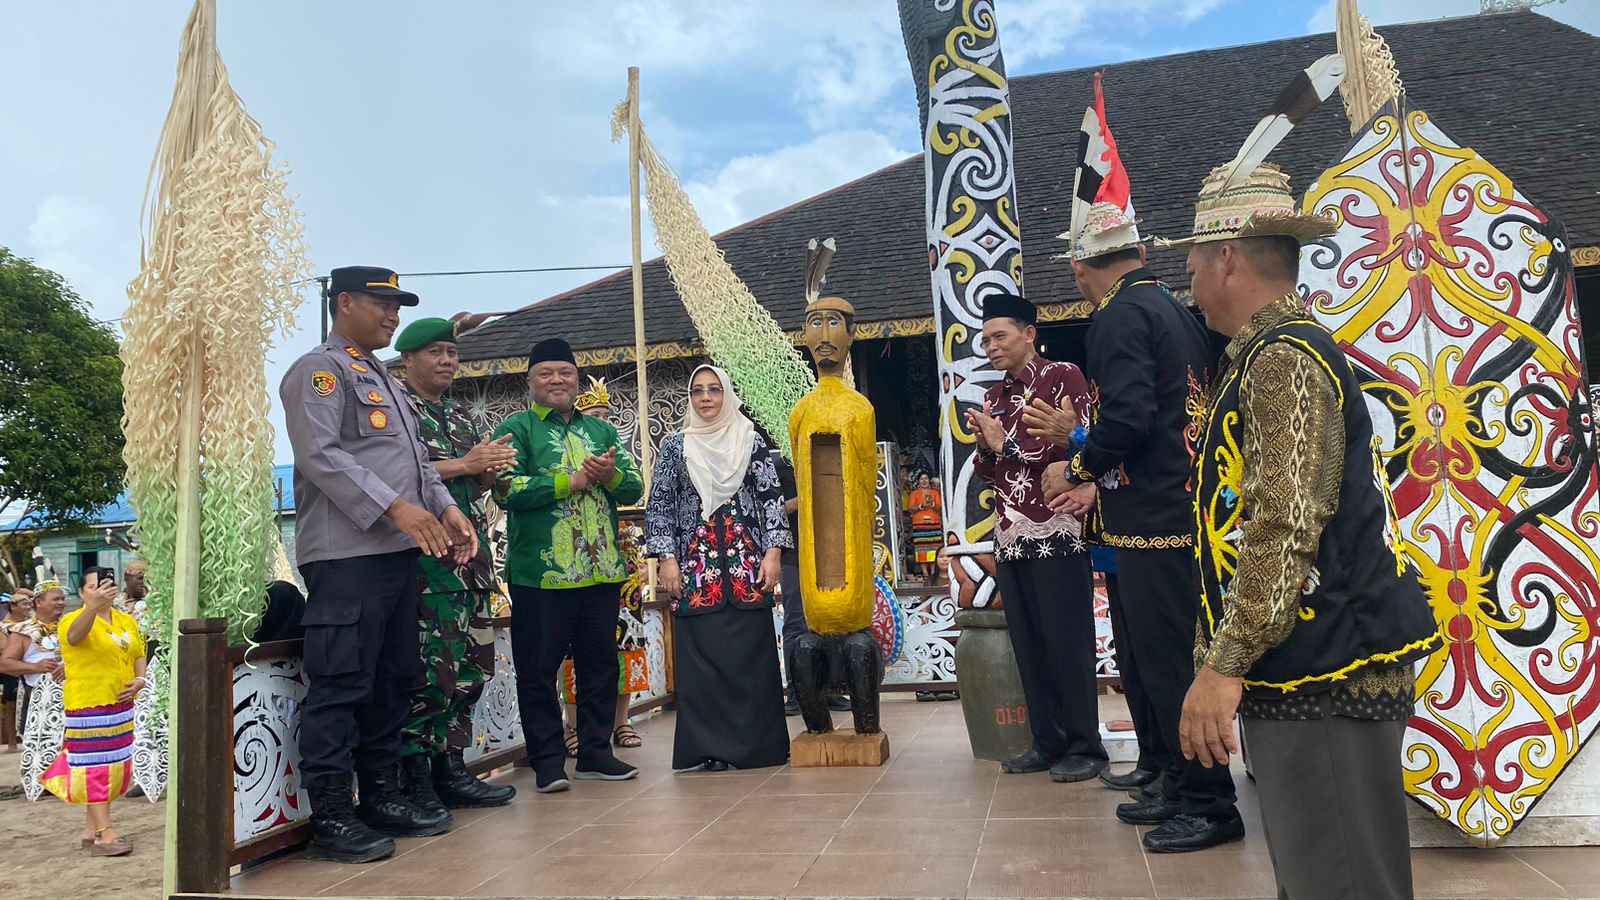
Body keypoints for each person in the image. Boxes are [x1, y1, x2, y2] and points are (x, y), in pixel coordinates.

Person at [1166, 162, 1440, 897]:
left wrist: (1225, 663)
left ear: (1227, 257)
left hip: (1327, 660)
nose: (1188, 280)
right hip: (1307, 659)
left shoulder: (1282, 358)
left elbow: (1284, 524)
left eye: (1192, 262)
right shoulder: (1267, 353)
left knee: (1338, 879)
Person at [1038, 202, 1242, 851]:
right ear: (1140, 254)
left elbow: (1125, 420)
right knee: (1158, 663)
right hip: (1174, 509)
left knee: (1170, 667)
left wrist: (1075, 463)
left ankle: (1209, 801)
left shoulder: (1119, 316)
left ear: (1077, 267)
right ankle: (1181, 784)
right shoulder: (1169, 308)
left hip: (1156, 516)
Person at [280, 266, 478, 864]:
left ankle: (383, 796)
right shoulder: (318, 371)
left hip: (398, 555)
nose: (393, 316)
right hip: (346, 555)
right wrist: (395, 509)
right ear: (344, 303)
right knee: (342, 685)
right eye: (382, 304)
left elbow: (417, 460)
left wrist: (445, 511)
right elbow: (319, 456)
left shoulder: (383, 379)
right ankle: (333, 815)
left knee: (394, 680)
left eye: (397, 306)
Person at [966, 294, 1108, 783]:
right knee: (1028, 643)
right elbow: (989, 469)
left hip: (1058, 526)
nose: (990, 346)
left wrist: (1005, 446)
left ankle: (1085, 745)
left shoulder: (1064, 376)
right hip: (1010, 533)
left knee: (1067, 640)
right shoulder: (995, 398)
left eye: (999, 335)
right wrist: (986, 446)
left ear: (1029, 333)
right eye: (984, 339)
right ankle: (1047, 742)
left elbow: (1070, 445)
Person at [494, 338, 645, 792]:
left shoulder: (601, 432)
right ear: (530, 381)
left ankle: (597, 754)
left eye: (565, 373)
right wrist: (571, 481)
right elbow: (507, 489)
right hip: (542, 574)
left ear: (577, 379)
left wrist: (610, 477)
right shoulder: (517, 428)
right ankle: (547, 762)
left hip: (601, 570)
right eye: (546, 373)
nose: (557, 380)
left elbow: (634, 486)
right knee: (539, 669)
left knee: (600, 666)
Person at [392, 316, 519, 813]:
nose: (447, 361)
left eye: (452, 352)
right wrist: (466, 464)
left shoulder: (461, 416)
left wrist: (487, 471)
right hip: (429, 568)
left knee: (470, 670)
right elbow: (401, 472)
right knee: (430, 675)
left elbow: (471, 484)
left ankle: (453, 768)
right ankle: (415, 778)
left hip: (472, 565)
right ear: (408, 360)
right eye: (435, 352)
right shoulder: (399, 411)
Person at [645, 365, 791, 771]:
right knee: (702, 663)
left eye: (714, 390)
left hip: (747, 567)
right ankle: (709, 749)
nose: (706, 398)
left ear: (727, 395)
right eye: (697, 391)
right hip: (695, 568)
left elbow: (771, 500)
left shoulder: (750, 440)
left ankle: (758, 748)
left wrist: (773, 554)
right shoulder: (676, 446)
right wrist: (668, 560)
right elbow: (660, 506)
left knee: (750, 658)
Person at [559, 377, 647, 753]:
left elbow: (634, 489)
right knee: (574, 650)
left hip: (620, 562)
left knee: (627, 644)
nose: (602, 422)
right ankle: (573, 726)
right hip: (575, 557)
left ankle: (621, 721)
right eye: (594, 414)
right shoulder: (561, 451)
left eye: (606, 416)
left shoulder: (618, 456)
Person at [40, 569, 144, 856]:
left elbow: (138, 651)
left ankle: (90, 828)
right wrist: (94, 608)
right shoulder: (73, 620)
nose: (102, 590)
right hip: (89, 706)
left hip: (121, 704)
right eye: (94, 586)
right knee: (95, 767)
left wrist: (140, 679)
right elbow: (74, 638)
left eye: (105, 584)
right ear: (83, 593)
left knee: (112, 767)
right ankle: (104, 834)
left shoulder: (125, 620)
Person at [0, 586, 59, 751]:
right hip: (26, 682)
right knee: (12, 707)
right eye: (55, 599)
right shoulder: (13, 629)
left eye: (62, 599)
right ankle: (12, 743)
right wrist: (34, 666)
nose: (61, 603)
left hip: (67, 693)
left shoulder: (67, 625)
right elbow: (4, 661)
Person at [0, 587, 35, 752]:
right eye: (24, 604)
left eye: (29, 604)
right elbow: (4, 650)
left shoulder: (30, 625)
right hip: (12, 671)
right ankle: (12, 744)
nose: (28, 607)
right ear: (13, 607)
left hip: (29, 669)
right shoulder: (5, 627)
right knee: (11, 705)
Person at [906, 473, 944, 584]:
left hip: (934, 522)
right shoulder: (914, 494)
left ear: (929, 481)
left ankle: (933, 572)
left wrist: (932, 505)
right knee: (921, 548)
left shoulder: (935, 493)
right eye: (921, 479)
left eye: (926, 478)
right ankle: (924, 572)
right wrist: (920, 507)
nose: (924, 481)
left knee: (934, 547)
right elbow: (910, 509)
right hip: (919, 523)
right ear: (918, 481)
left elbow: (940, 507)